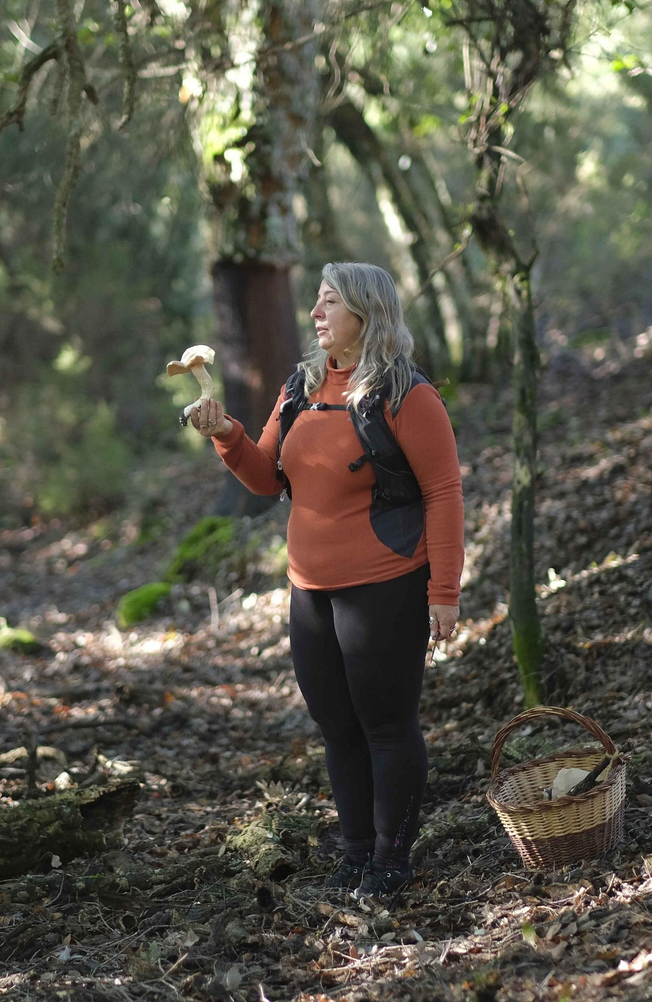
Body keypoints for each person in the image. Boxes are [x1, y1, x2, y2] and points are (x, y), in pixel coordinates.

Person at [188, 261, 465, 899]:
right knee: (335, 725)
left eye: (330, 303)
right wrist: (226, 433)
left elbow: (444, 492)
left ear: (366, 315)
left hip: (385, 582)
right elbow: (266, 478)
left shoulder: (405, 394)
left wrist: (443, 591)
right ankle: (356, 853)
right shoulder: (301, 386)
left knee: (386, 723)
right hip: (308, 588)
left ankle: (392, 861)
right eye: (315, 302)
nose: (315, 314)